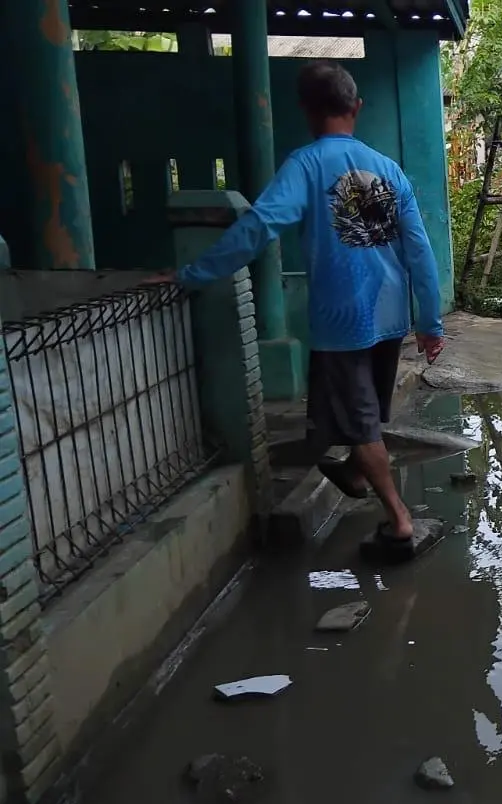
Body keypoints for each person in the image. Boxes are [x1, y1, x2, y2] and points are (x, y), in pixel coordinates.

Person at [173, 60, 445, 548]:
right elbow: (419, 251)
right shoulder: (389, 170)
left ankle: (400, 520)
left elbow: (259, 227)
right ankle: (358, 477)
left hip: (342, 325)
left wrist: (193, 274)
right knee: (357, 415)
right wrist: (430, 322)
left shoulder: (305, 164)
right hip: (389, 317)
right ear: (356, 107)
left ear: (306, 110)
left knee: (359, 423)